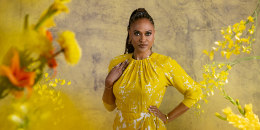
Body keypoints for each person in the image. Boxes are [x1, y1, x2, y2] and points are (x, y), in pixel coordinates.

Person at [102, 8, 202, 130]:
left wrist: (167, 118)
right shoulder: (117, 63)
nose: (143, 39)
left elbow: (195, 92)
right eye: (137, 33)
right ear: (130, 35)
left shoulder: (164, 64)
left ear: (154, 34)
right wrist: (108, 83)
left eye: (147, 33)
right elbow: (110, 107)